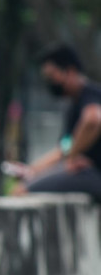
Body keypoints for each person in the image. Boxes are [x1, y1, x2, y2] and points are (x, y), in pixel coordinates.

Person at [10, 44, 101, 200]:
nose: (50, 82)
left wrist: (72, 156)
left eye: (52, 77)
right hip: (88, 174)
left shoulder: (90, 94)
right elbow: (65, 147)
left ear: (70, 71)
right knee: (22, 188)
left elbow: (93, 120)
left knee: (21, 192)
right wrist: (33, 170)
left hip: (94, 173)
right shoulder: (73, 106)